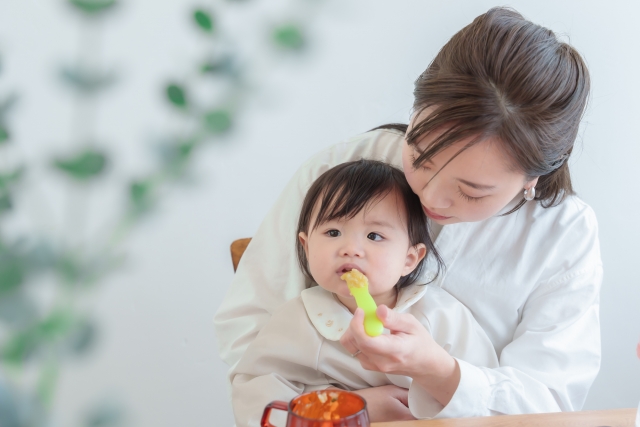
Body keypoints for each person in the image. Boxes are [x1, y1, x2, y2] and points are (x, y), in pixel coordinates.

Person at [215, 7, 602, 422]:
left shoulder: (564, 234)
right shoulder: (342, 169)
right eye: (420, 155)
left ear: (533, 178)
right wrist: (348, 407)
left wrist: (436, 371)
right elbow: (249, 337)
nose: (430, 196)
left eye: (471, 191)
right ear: (415, 108)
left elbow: (548, 406)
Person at [230, 160, 499, 427]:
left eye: (374, 236)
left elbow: (483, 394)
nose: (351, 249)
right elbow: (255, 396)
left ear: (410, 259)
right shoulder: (299, 319)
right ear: (306, 247)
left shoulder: (441, 314)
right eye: (333, 232)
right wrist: (347, 408)